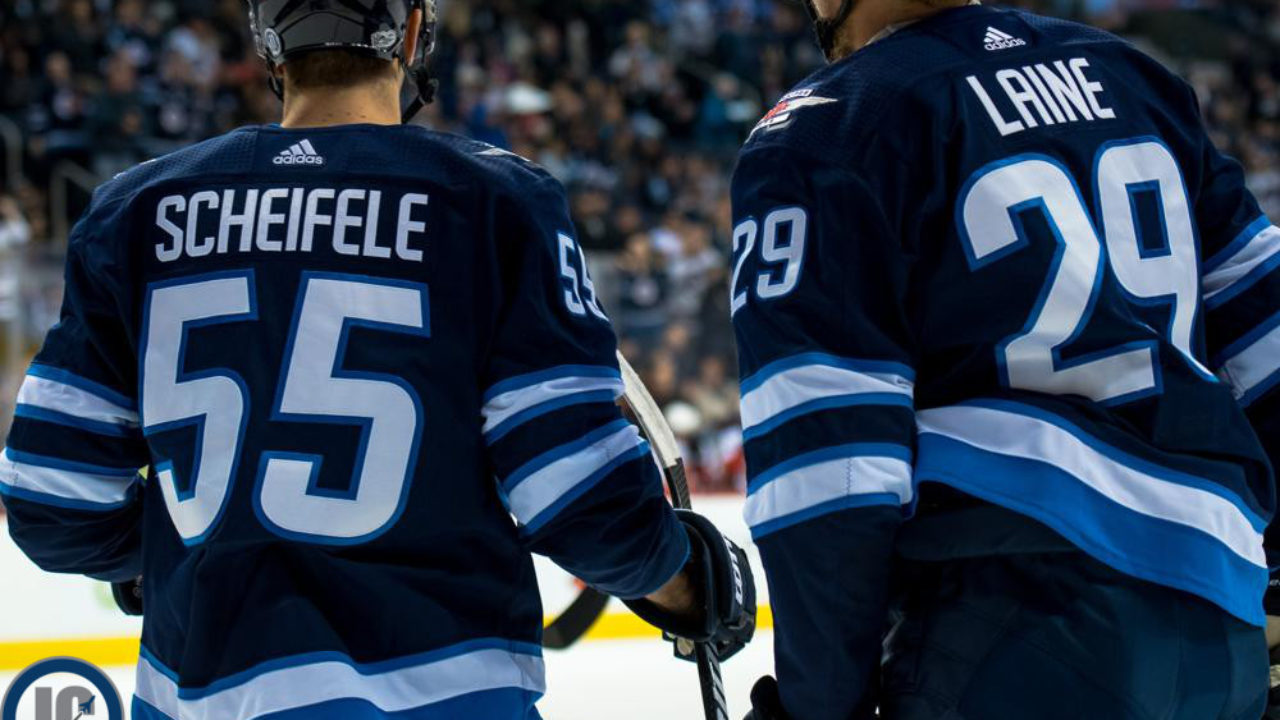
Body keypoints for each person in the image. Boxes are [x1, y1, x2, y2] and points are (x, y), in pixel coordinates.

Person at [0, 2, 755, 718]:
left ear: (269, 43)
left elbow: (49, 497)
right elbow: (578, 496)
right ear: (414, 29)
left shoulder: (134, 210)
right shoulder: (493, 201)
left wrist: (193, 545)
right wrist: (690, 582)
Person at [731, 1, 1279, 718]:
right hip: (1221, 632)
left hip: (1011, 621)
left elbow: (828, 468)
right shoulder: (1131, 75)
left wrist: (819, 704)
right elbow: (1267, 346)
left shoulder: (825, 125)